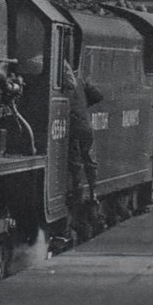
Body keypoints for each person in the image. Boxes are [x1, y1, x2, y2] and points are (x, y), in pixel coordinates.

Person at [62, 60, 102, 211]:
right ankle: (93, 192)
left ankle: (77, 192)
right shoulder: (80, 82)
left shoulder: (62, 87)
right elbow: (98, 96)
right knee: (90, 161)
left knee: (75, 162)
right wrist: (84, 106)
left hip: (72, 128)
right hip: (85, 127)